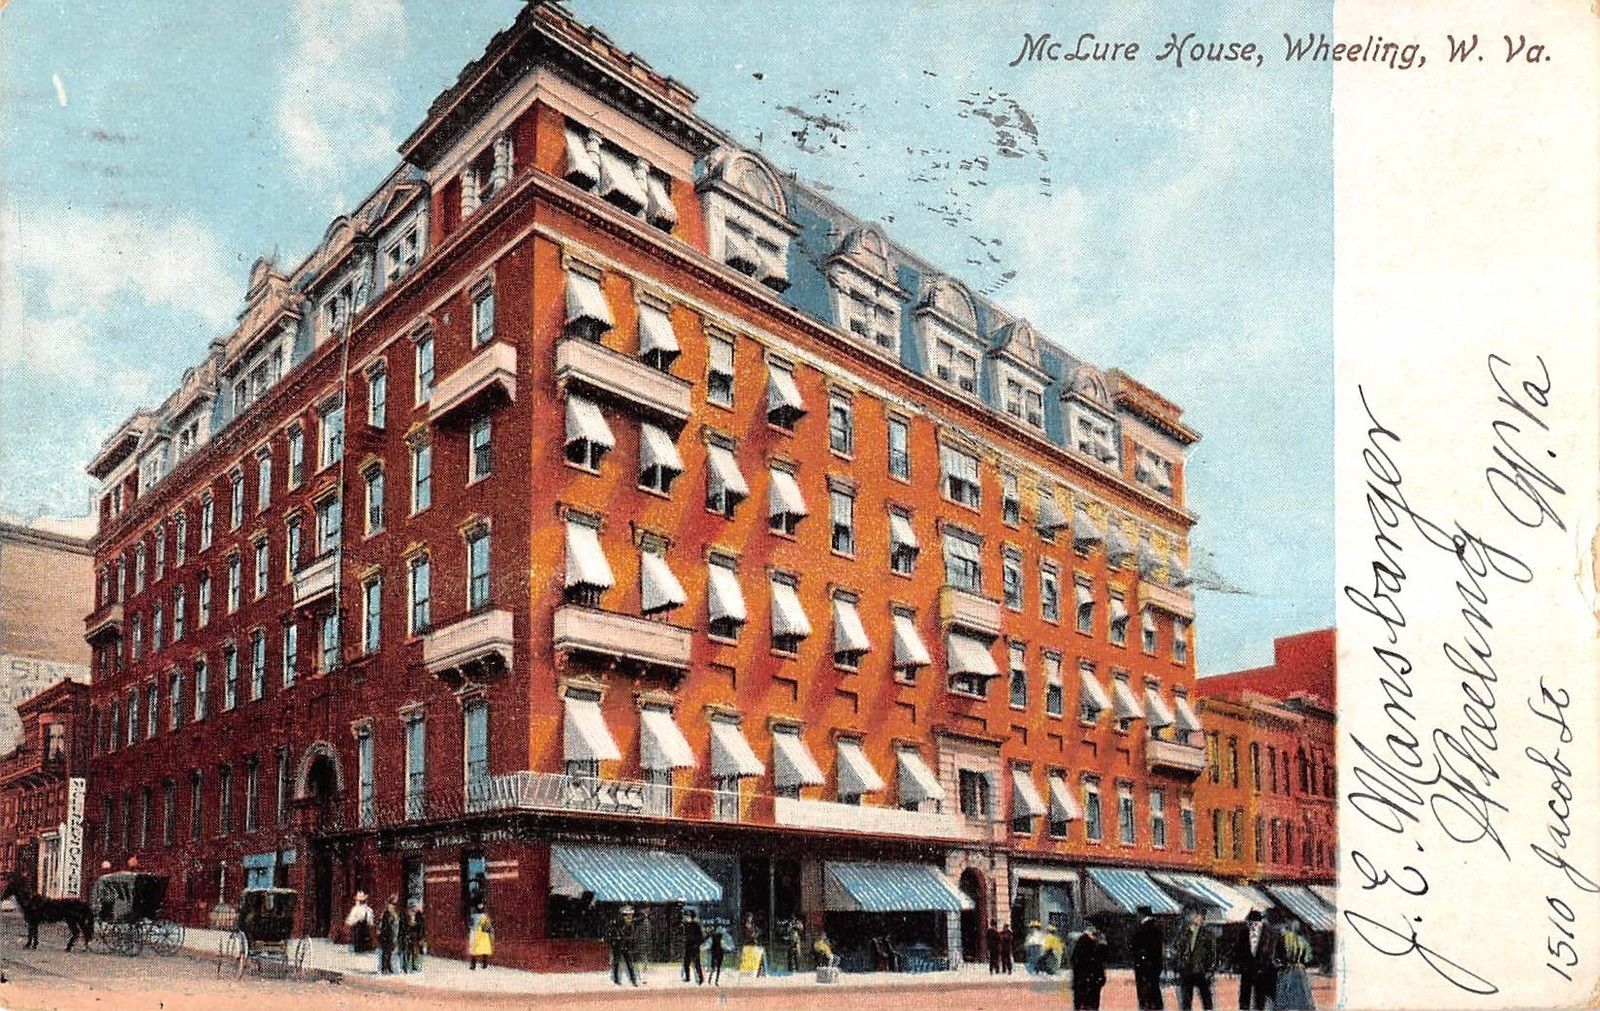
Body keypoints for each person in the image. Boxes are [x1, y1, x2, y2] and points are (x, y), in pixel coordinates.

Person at [1175, 907, 1218, 1010]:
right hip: (1187, 970)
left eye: (1201, 917)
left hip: (1202, 971)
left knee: (1206, 999)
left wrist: (1211, 970)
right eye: (1196, 916)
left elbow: (1213, 954)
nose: (1199, 919)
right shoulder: (1184, 933)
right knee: (1186, 1000)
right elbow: (1179, 950)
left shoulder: (1208, 934)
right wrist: (1180, 965)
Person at [1234, 910, 1277, 1010]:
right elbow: (1238, 949)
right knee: (1245, 997)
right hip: (1247, 969)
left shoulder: (1270, 934)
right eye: (1250, 923)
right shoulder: (1243, 933)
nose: (1252, 926)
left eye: (1254, 924)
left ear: (1260, 923)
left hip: (1262, 970)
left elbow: (1271, 952)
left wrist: (1266, 965)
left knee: (1260, 997)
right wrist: (1239, 964)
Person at [1274, 916, 1316, 1010]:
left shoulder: (1282, 938)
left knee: (1283, 998)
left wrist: (1279, 963)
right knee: (1303, 997)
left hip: (1286, 969)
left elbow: (1277, 956)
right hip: (1300, 971)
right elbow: (1308, 959)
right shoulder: (1303, 941)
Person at [1131, 905, 1167, 1010]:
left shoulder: (1144, 930)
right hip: (1153, 966)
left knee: (1147, 994)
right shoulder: (1155, 929)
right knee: (1154, 991)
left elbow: (1136, 946)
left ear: (1142, 915)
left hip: (1145, 967)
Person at [1070, 922, 1110, 1010]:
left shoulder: (1083, 942)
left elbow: (1074, 960)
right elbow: (1103, 960)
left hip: (1084, 979)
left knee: (1083, 1003)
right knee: (1090, 1004)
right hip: (1090, 979)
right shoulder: (1094, 943)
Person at [610, 904, 641, 986]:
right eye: (627, 915)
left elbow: (631, 933)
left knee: (629, 962)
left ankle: (633, 980)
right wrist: (619, 937)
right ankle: (616, 980)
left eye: (630, 915)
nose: (629, 917)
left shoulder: (631, 924)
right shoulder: (618, 923)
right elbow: (615, 933)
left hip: (625, 945)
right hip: (617, 945)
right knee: (616, 962)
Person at [377, 894, 400, 974]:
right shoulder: (388, 911)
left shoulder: (392, 910)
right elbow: (388, 924)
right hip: (388, 934)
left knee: (389, 951)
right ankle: (385, 968)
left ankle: (388, 967)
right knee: (387, 951)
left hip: (391, 933)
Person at [401, 900, 426, 973]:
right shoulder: (405, 915)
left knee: (415, 952)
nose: (414, 908)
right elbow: (403, 926)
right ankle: (406, 967)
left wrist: (421, 937)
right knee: (407, 952)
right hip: (408, 936)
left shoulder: (419, 915)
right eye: (413, 906)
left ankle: (415, 966)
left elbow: (421, 927)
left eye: (415, 906)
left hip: (416, 937)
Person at [681, 908, 705, 984]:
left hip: (694, 947)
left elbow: (701, 937)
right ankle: (687, 977)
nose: (686, 918)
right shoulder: (685, 925)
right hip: (687, 946)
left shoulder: (697, 926)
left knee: (697, 963)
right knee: (686, 963)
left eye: (688, 916)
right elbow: (684, 935)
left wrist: (697, 944)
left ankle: (700, 978)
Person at [467, 902, 494, 969]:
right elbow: (488, 926)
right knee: (484, 949)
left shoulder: (473, 916)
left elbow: (470, 925)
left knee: (474, 949)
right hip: (483, 935)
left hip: (476, 934)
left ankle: (473, 965)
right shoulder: (485, 917)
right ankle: (484, 964)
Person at [706, 919, 727, 986]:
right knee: (715, 968)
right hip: (717, 953)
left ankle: (714, 981)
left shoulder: (718, 935)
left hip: (718, 953)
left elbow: (709, 935)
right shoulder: (717, 935)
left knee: (716, 968)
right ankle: (712, 980)